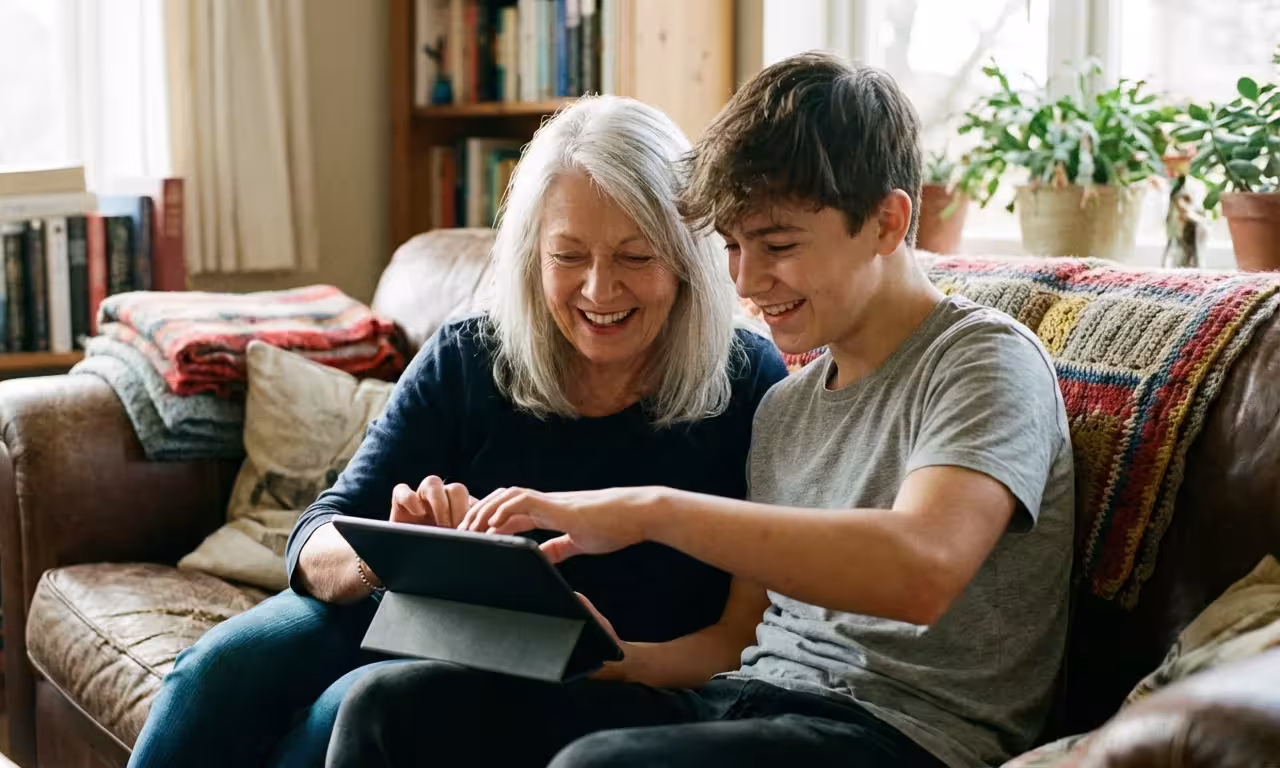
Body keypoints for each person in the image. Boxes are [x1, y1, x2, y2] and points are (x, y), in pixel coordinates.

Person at [325, 51, 1075, 768]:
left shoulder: (983, 359)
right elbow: (736, 641)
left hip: (904, 735)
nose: (748, 281)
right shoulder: (786, 407)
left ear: (886, 222)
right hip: (744, 703)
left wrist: (649, 510)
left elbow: (922, 570)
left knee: (603, 765)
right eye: (733, 247)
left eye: (778, 244)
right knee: (393, 710)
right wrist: (607, 661)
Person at [125, 95, 787, 768]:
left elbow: (753, 633)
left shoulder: (746, 383)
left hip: (603, 675)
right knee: (213, 669)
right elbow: (317, 536)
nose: (598, 288)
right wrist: (392, 553)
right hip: (430, 619)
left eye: (634, 257)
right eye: (568, 255)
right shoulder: (474, 356)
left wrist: (620, 663)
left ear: (684, 258)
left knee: (347, 711)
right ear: (533, 255)